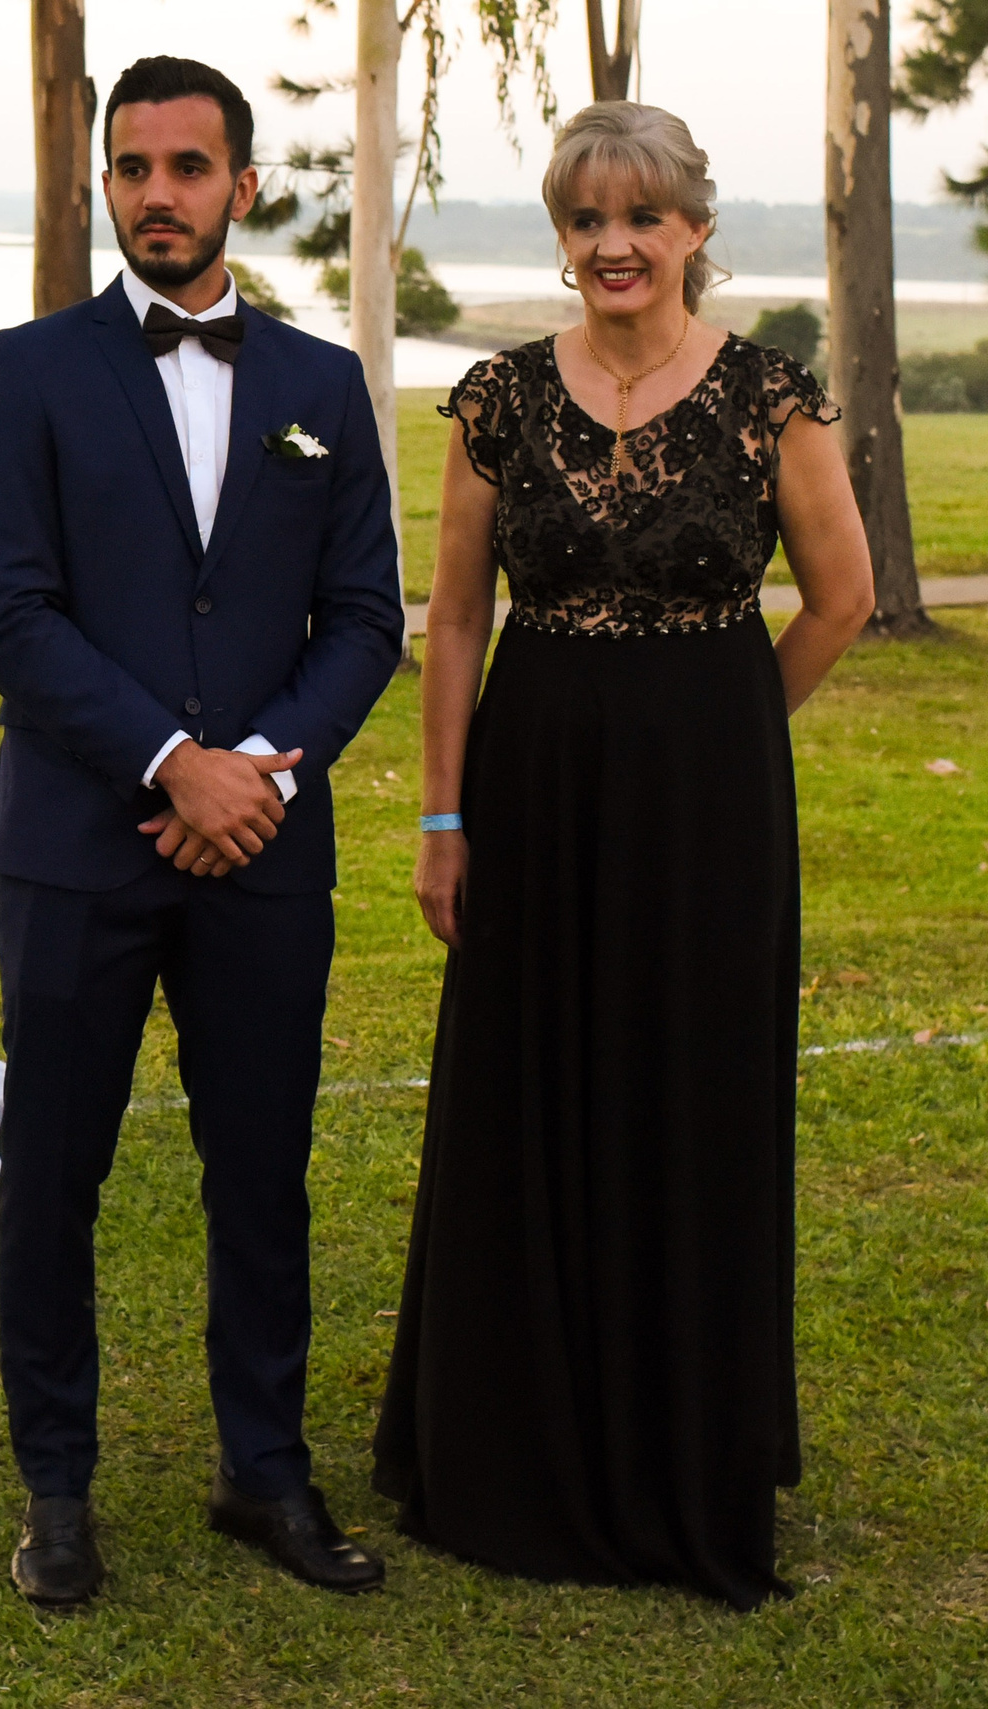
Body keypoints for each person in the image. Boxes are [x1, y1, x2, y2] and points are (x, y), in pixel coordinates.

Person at [374, 102, 875, 1611]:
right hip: (527, 786)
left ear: (696, 232)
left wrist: (721, 735)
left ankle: (683, 1447)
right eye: (587, 218)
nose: (614, 245)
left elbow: (841, 598)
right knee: (526, 1087)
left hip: (709, 804)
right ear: (563, 234)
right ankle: (516, 1445)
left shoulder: (771, 397)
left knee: (691, 1094)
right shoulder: (498, 401)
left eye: (643, 217)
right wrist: (444, 814)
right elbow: (457, 616)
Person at [0, 57, 405, 1608]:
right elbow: (10, 615)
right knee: (51, 1170)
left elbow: (364, 617)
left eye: (190, 167)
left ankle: (263, 1470)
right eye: (134, 168)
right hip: (78, 845)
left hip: (267, 850)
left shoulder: (322, 386)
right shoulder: (26, 371)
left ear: (243, 185)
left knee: (262, 1166)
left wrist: (257, 774)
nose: (161, 193)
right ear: (103, 185)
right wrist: (169, 765)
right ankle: (58, 1488)